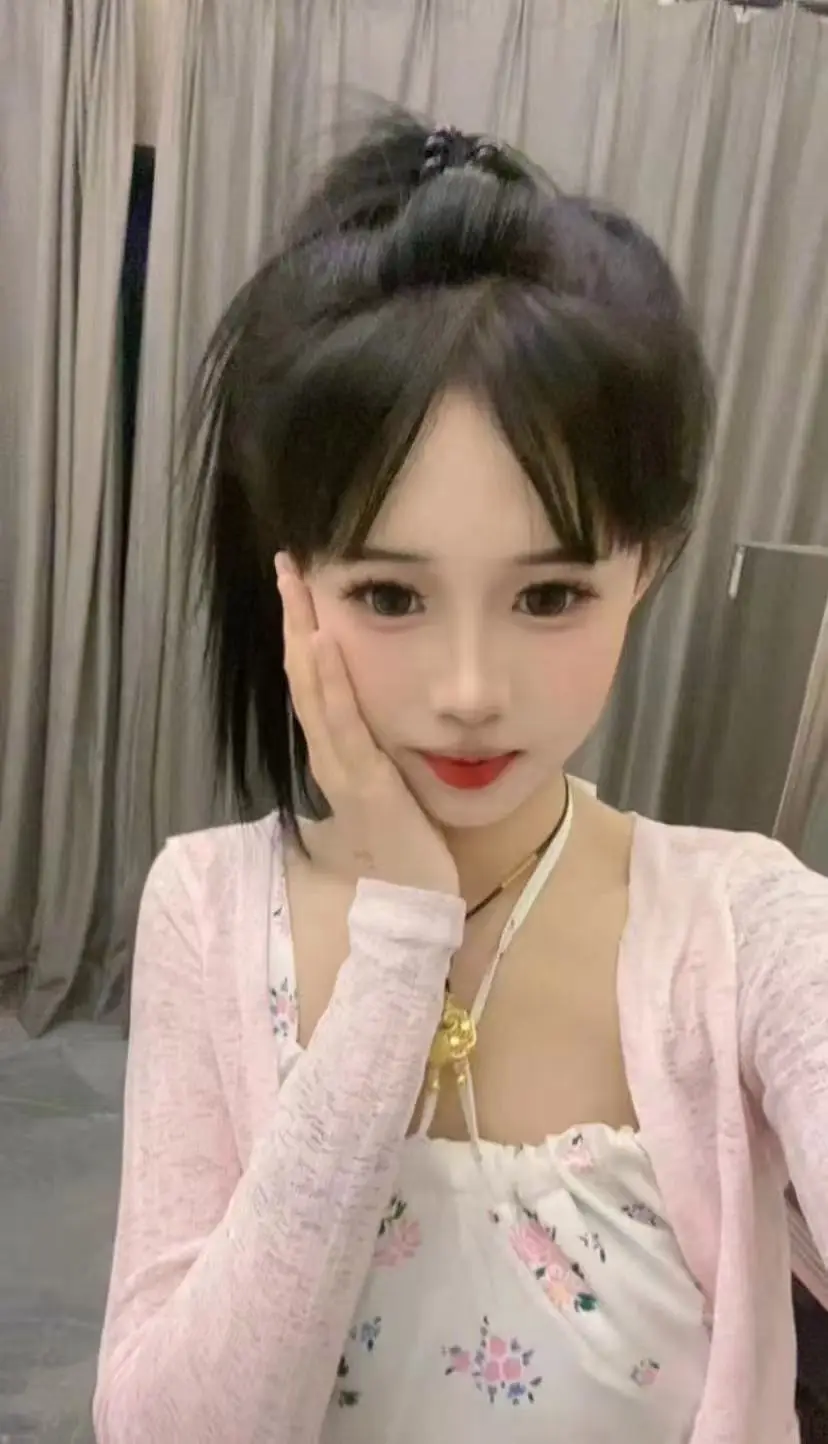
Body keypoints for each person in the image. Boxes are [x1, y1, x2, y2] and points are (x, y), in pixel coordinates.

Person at [93, 114, 828, 1444]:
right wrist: (401, 937)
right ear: (291, 579)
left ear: (648, 565)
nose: (473, 688)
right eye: (390, 593)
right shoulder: (207, 908)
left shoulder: (746, 928)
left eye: (550, 594)